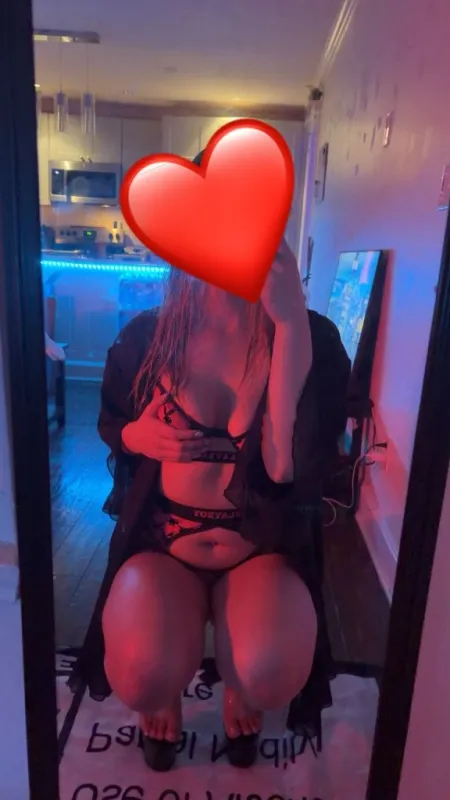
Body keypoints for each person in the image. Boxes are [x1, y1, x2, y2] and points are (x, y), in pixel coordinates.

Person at [68, 151, 351, 773]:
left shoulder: (316, 340)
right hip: (163, 543)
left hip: (261, 548)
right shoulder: (148, 336)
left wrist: (289, 328)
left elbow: (285, 469)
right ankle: (166, 689)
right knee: (140, 674)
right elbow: (113, 426)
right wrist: (140, 437)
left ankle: (239, 688)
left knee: (270, 673)